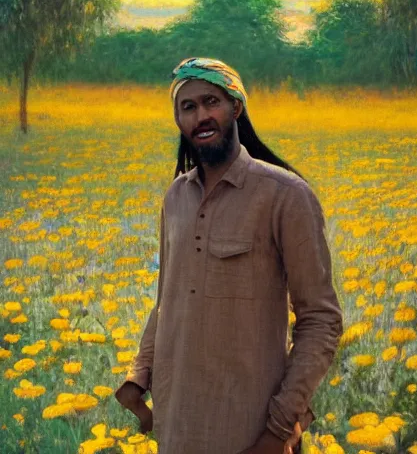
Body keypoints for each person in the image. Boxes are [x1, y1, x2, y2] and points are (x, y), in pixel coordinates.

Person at [115, 57, 343, 454]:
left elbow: (321, 321)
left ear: (236, 107)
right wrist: (139, 376)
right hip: (176, 428)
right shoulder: (175, 198)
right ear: (179, 121)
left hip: (250, 431)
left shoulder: (285, 196)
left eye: (211, 102)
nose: (201, 116)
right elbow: (166, 301)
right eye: (188, 107)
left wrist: (277, 430)